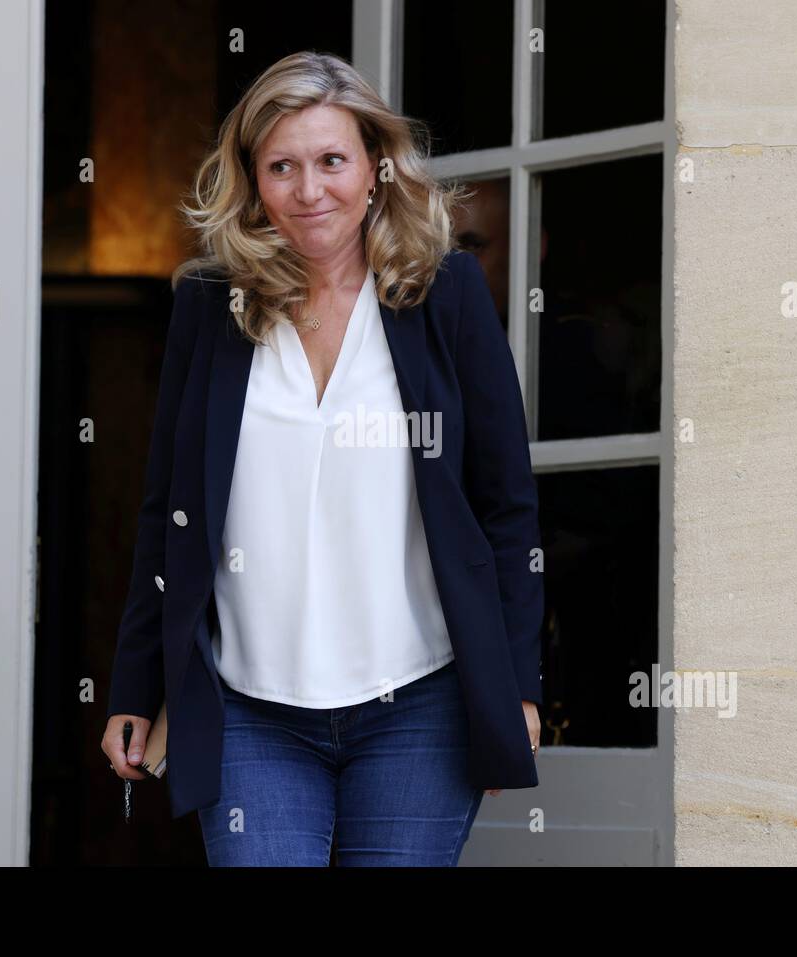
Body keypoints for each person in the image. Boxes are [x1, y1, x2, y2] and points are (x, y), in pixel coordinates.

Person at [100, 51, 544, 866]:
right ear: (253, 180)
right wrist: (135, 684)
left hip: (420, 703)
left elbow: (505, 503)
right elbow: (167, 509)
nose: (310, 192)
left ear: (375, 166)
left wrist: (513, 685)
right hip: (249, 712)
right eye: (283, 167)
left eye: (332, 160)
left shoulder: (444, 293)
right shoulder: (210, 304)